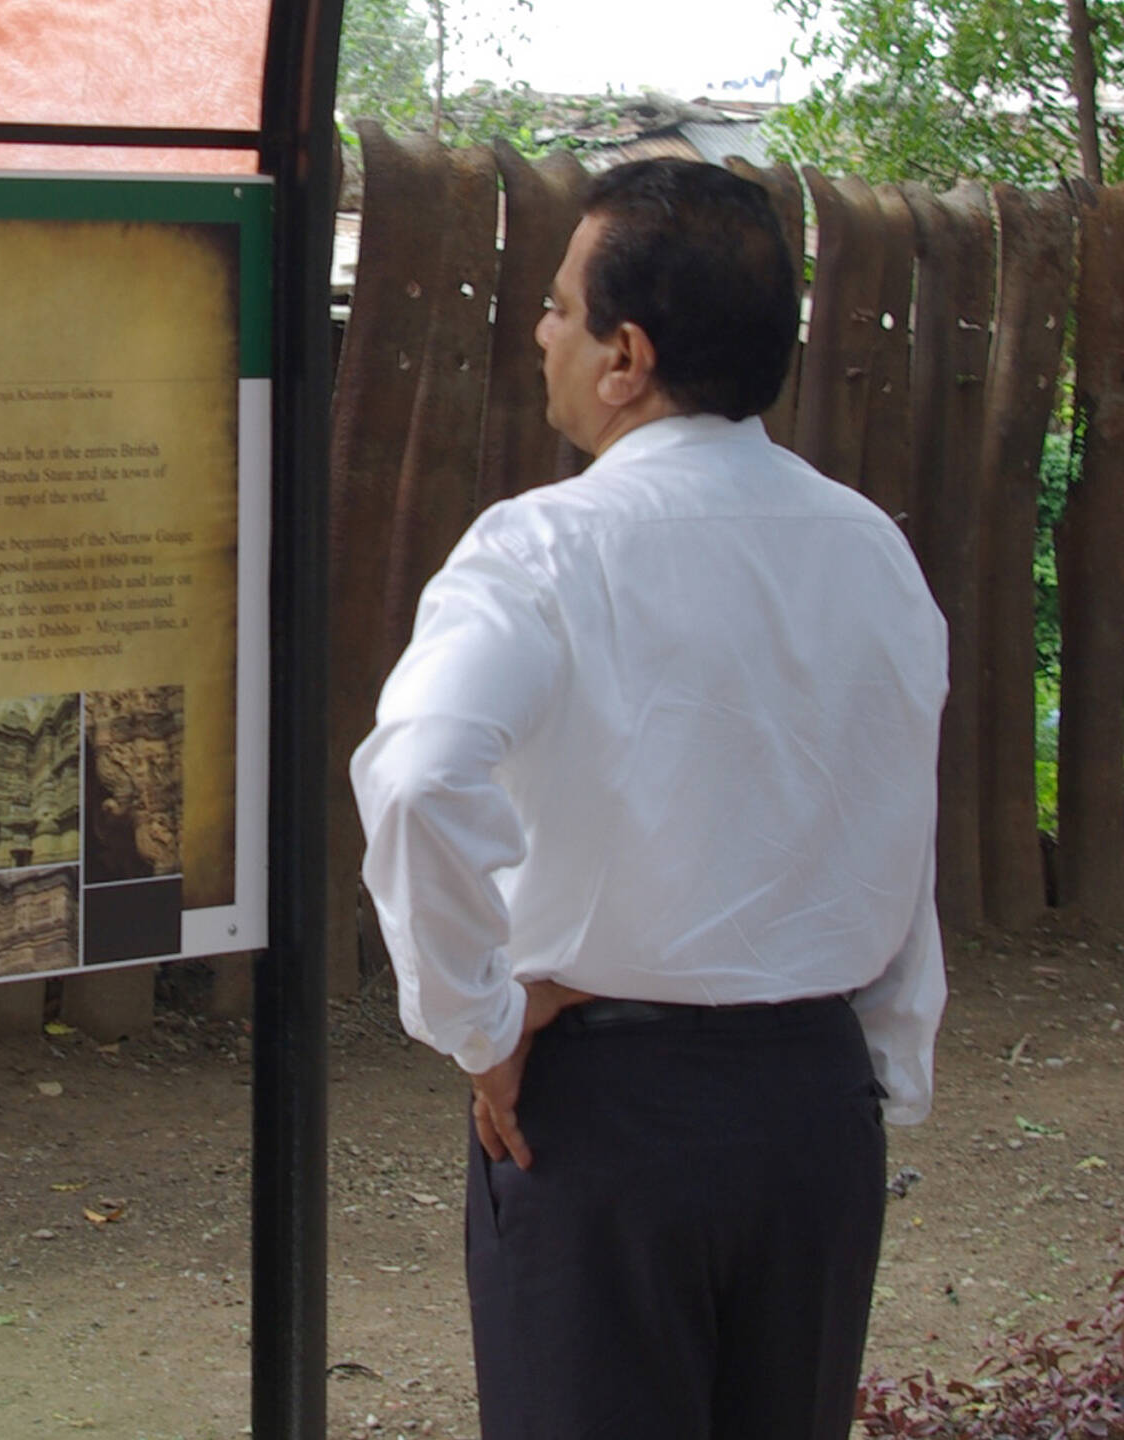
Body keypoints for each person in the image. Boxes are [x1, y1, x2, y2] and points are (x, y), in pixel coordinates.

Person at [350, 158, 948, 1440]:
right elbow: (899, 823)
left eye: (561, 307)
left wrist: (481, 1024)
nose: (540, 330)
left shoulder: (541, 549)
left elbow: (414, 776)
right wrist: (879, 1069)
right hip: (813, 1109)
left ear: (626, 356)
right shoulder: (872, 551)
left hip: (605, 1120)